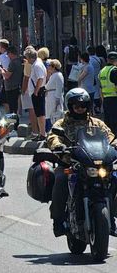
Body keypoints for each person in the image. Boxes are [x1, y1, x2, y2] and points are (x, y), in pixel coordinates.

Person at [47, 88, 116, 237]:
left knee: (114, 177)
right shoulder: (62, 123)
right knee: (60, 179)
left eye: (83, 105)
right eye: (76, 106)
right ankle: (58, 220)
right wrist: (58, 145)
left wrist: (114, 144)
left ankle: (112, 217)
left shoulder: (96, 123)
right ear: (70, 106)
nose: (80, 109)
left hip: (96, 164)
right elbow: (53, 136)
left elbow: (109, 136)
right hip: (70, 164)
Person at [44, 59, 65, 131]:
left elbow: (58, 89)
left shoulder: (57, 75)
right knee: (49, 114)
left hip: (53, 98)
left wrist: (57, 100)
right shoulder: (54, 75)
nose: (48, 67)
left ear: (53, 67)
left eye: (49, 65)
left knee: (53, 115)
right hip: (50, 96)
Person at [99, 51, 117, 134]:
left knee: (108, 122)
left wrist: (103, 101)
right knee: (115, 122)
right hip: (114, 99)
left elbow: (100, 88)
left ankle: (109, 140)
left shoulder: (102, 71)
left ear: (107, 59)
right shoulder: (114, 70)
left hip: (106, 99)